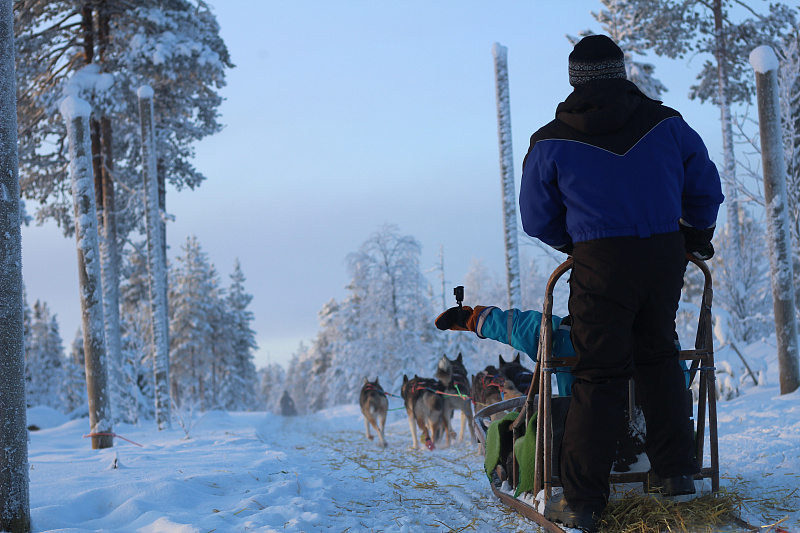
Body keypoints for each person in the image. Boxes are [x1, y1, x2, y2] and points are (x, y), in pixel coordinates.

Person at [439, 35, 724, 532]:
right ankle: (678, 474)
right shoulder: (668, 124)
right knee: (659, 355)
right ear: (621, 72)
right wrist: (694, 236)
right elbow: (704, 187)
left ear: (574, 80)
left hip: (599, 262)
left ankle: (583, 501)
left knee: (597, 372)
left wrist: (578, 243)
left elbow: (535, 217)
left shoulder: (550, 140)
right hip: (663, 256)